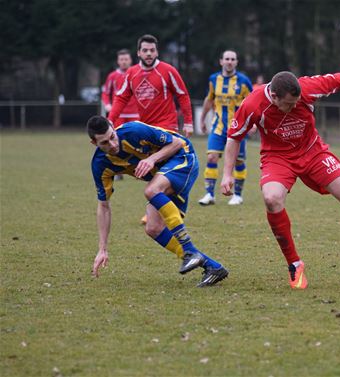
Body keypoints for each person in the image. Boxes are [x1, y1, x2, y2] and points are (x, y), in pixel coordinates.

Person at [220, 62, 340, 290]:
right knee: (271, 199)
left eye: (295, 103)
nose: (292, 107)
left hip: (312, 152)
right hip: (277, 158)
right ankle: (294, 264)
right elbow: (234, 137)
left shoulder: (308, 87)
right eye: (288, 104)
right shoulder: (253, 103)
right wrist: (227, 174)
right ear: (274, 96)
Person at [87, 116, 228, 287]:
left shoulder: (134, 131)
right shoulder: (100, 165)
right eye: (105, 143)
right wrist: (102, 249)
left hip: (183, 157)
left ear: (113, 127)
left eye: (112, 137)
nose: (113, 144)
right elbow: (104, 206)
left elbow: (176, 142)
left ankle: (189, 250)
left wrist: (151, 159)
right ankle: (213, 268)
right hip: (163, 177)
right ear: (94, 143)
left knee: (151, 190)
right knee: (153, 227)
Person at [108, 34, 194, 137]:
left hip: (167, 126)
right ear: (138, 53)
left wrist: (188, 122)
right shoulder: (131, 73)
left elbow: (182, 95)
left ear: (157, 52)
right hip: (145, 127)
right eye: (145, 50)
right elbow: (121, 98)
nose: (149, 53)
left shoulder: (168, 70)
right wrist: (110, 121)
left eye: (152, 50)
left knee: (163, 152)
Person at [198, 50, 253, 206]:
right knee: (211, 157)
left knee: (238, 161)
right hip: (218, 127)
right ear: (221, 61)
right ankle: (209, 194)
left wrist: (253, 123)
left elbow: (252, 101)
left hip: (238, 129)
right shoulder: (214, 79)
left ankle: (237, 195)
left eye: (232, 59)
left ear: (236, 62)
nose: (229, 61)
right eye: (227, 59)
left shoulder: (243, 81)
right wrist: (202, 119)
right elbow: (209, 100)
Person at [102, 49, 139, 128]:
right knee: (118, 137)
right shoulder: (112, 76)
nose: (124, 62)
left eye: (126, 59)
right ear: (118, 61)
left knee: (135, 137)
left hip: (135, 113)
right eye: (121, 59)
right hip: (118, 114)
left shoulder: (137, 74)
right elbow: (105, 92)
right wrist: (107, 104)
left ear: (130, 60)